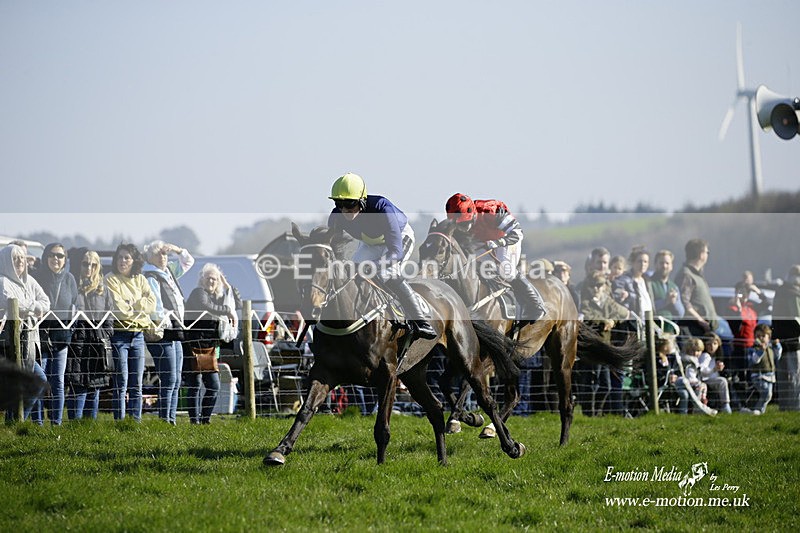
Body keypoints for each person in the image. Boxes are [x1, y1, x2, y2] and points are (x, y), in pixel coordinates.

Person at [327, 172, 435, 339]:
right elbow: (335, 250)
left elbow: (396, 253)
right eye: (339, 204)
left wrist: (374, 266)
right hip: (370, 244)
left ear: (362, 200)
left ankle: (421, 321)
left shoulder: (382, 208)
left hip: (398, 239)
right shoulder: (336, 217)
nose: (344, 210)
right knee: (350, 275)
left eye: (349, 204)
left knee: (387, 274)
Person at [445, 192, 545, 326]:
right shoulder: (458, 220)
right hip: (483, 240)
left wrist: (498, 243)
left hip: (506, 238)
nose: (462, 229)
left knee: (506, 270)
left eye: (465, 224)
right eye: (459, 225)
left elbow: (517, 233)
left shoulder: (490, 211)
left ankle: (536, 305)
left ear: (472, 214)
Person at [142, 240, 195, 425]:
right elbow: (156, 307)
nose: (163, 257)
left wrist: (177, 249)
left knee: (177, 377)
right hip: (163, 330)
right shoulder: (151, 276)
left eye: (164, 254)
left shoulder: (168, 272)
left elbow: (188, 262)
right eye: (158, 254)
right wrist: (170, 317)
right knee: (169, 377)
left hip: (175, 329)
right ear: (149, 258)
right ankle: (165, 419)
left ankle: (170, 418)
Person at [105, 243, 156, 422]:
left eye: (127, 257)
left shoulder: (141, 279)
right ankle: (119, 420)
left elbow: (152, 303)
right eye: (119, 257)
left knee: (137, 383)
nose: (122, 261)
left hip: (138, 335)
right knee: (122, 382)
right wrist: (138, 305)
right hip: (120, 335)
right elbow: (119, 309)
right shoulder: (111, 279)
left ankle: (135, 421)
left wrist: (133, 304)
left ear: (134, 261)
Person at [0, 245, 50, 423]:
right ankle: (13, 422)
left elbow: (46, 302)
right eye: (15, 258)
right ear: (6, 261)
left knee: (37, 381)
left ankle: (16, 422)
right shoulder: (2, 281)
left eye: (22, 257)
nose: (20, 261)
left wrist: (32, 306)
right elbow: (12, 302)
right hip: (9, 344)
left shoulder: (30, 281)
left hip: (29, 342)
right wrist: (34, 307)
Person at [183, 263, 236, 424]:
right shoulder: (198, 293)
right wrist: (226, 310)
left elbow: (237, 302)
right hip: (194, 346)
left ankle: (204, 420)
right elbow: (205, 306)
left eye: (214, 279)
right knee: (195, 385)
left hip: (210, 348)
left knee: (213, 386)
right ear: (202, 280)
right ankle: (194, 421)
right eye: (208, 278)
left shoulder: (218, 297)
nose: (211, 281)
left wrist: (227, 286)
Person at [33, 243, 78, 425]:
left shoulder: (70, 279)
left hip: (61, 338)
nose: (56, 259)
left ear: (65, 259)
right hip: (40, 337)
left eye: (60, 256)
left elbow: (74, 306)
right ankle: (37, 422)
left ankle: (56, 423)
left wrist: (70, 330)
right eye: (52, 255)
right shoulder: (36, 277)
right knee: (39, 381)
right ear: (45, 257)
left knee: (58, 382)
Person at [65, 250, 114, 420]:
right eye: (86, 264)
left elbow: (110, 319)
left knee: (94, 390)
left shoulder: (104, 290)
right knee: (78, 388)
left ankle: (89, 431)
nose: (89, 268)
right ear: (79, 264)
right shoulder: (72, 286)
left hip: (97, 346)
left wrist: (102, 334)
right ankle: (74, 429)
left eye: (93, 264)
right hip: (77, 345)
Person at [579, 271, 630, 416]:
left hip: (605, 348)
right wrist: (603, 321)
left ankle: (598, 412)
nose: (596, 288)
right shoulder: (586, 302)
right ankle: (589, 413)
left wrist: (613, 321)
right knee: (591, 383)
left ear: (604, 286)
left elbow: (625, 313)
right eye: (593, 285)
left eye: (599, 285)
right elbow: (587, 319)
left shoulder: (608, 301)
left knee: (606, 385)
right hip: (592, 348)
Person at [674, 238, 729, 339]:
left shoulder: (696, 275)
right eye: (707, 252)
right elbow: (684, 302)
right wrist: (700, 320)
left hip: (704, 329)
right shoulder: (686, 275)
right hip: (695, 331)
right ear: (701, 254)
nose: (708, 255)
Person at [772, 264, 800, 411]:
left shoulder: (780, 291)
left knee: (783, 376)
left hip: (780, 340)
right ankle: (795, 406)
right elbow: (797, 318)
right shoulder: (793, 293)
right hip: (795, 342)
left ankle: (784, 406)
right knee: (795, 375)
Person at [742, 324, 782, 415]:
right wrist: (761, 351)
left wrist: (777, 345)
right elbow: (754, 361)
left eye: (763, 336)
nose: (761, 338)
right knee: (766, 393)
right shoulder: (753, 349)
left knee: (769, 395)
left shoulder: (771, 348)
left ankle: (760, 412)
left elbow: (778, 355)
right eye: (758, 336)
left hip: (770, 376)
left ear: (769, 337)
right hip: (758, 376)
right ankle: (758, 410)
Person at [646, 249, 685, 326]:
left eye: (667, 263)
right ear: (655, 265)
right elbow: (646, 307)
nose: (664, 266)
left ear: (671, 266)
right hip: (654, 328)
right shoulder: (648, 283)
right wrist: (665, 302)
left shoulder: (674, 287)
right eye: (661, 263)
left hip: (670, 329)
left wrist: (674, 302)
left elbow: (681, 314)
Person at [696, 337, 732, 413]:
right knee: (722, 381)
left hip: (713, 380)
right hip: (705, 380)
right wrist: (714, 369)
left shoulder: (717, 357)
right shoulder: (705, 356)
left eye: (715, 344)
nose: (712, 346)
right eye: (709, 344)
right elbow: (701, 371)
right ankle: (725, 405)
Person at [676, 338, 709, 414]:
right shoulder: (685, 358)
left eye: (698, 351)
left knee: (702, 386)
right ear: (688, 350)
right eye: (693, 350)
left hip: (692, 382)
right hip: (683, 381)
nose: (695, 353)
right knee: (698, 386)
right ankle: (698, 407)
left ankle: (700, 404)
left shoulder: (697, 360)